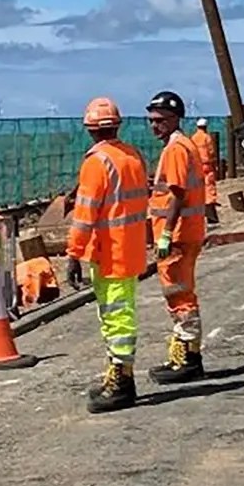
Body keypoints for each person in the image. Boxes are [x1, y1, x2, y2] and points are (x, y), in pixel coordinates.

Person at [66, 96, 150, 413]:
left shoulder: (96, 163)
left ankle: (122, 381)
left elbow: (85, 214)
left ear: (89, 129)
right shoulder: (133, 156)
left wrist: (73, 255)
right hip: (129, 247)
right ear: (117, 125)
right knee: (118, 313)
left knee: (116, 316)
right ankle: (117, 374)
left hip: (109, 253)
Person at [145, 90, 209, 384]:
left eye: (160, 121)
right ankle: (187, 354)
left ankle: (186, 358)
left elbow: (178, 194)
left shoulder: (176, 149)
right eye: (152, 121)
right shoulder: (184, 145)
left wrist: (166, 234)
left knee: (179, 295)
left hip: (178, 235)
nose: (154, 126)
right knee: (183, 293)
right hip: (187, 230)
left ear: (174, 120)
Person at [190, 118, 220, 224]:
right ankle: (211, 212)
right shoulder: (206, 137)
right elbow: (211, 152)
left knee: (200, 187)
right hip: (207, 165)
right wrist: (215, 163)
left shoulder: (193, 138)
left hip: (197, 166)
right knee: (209, 186)